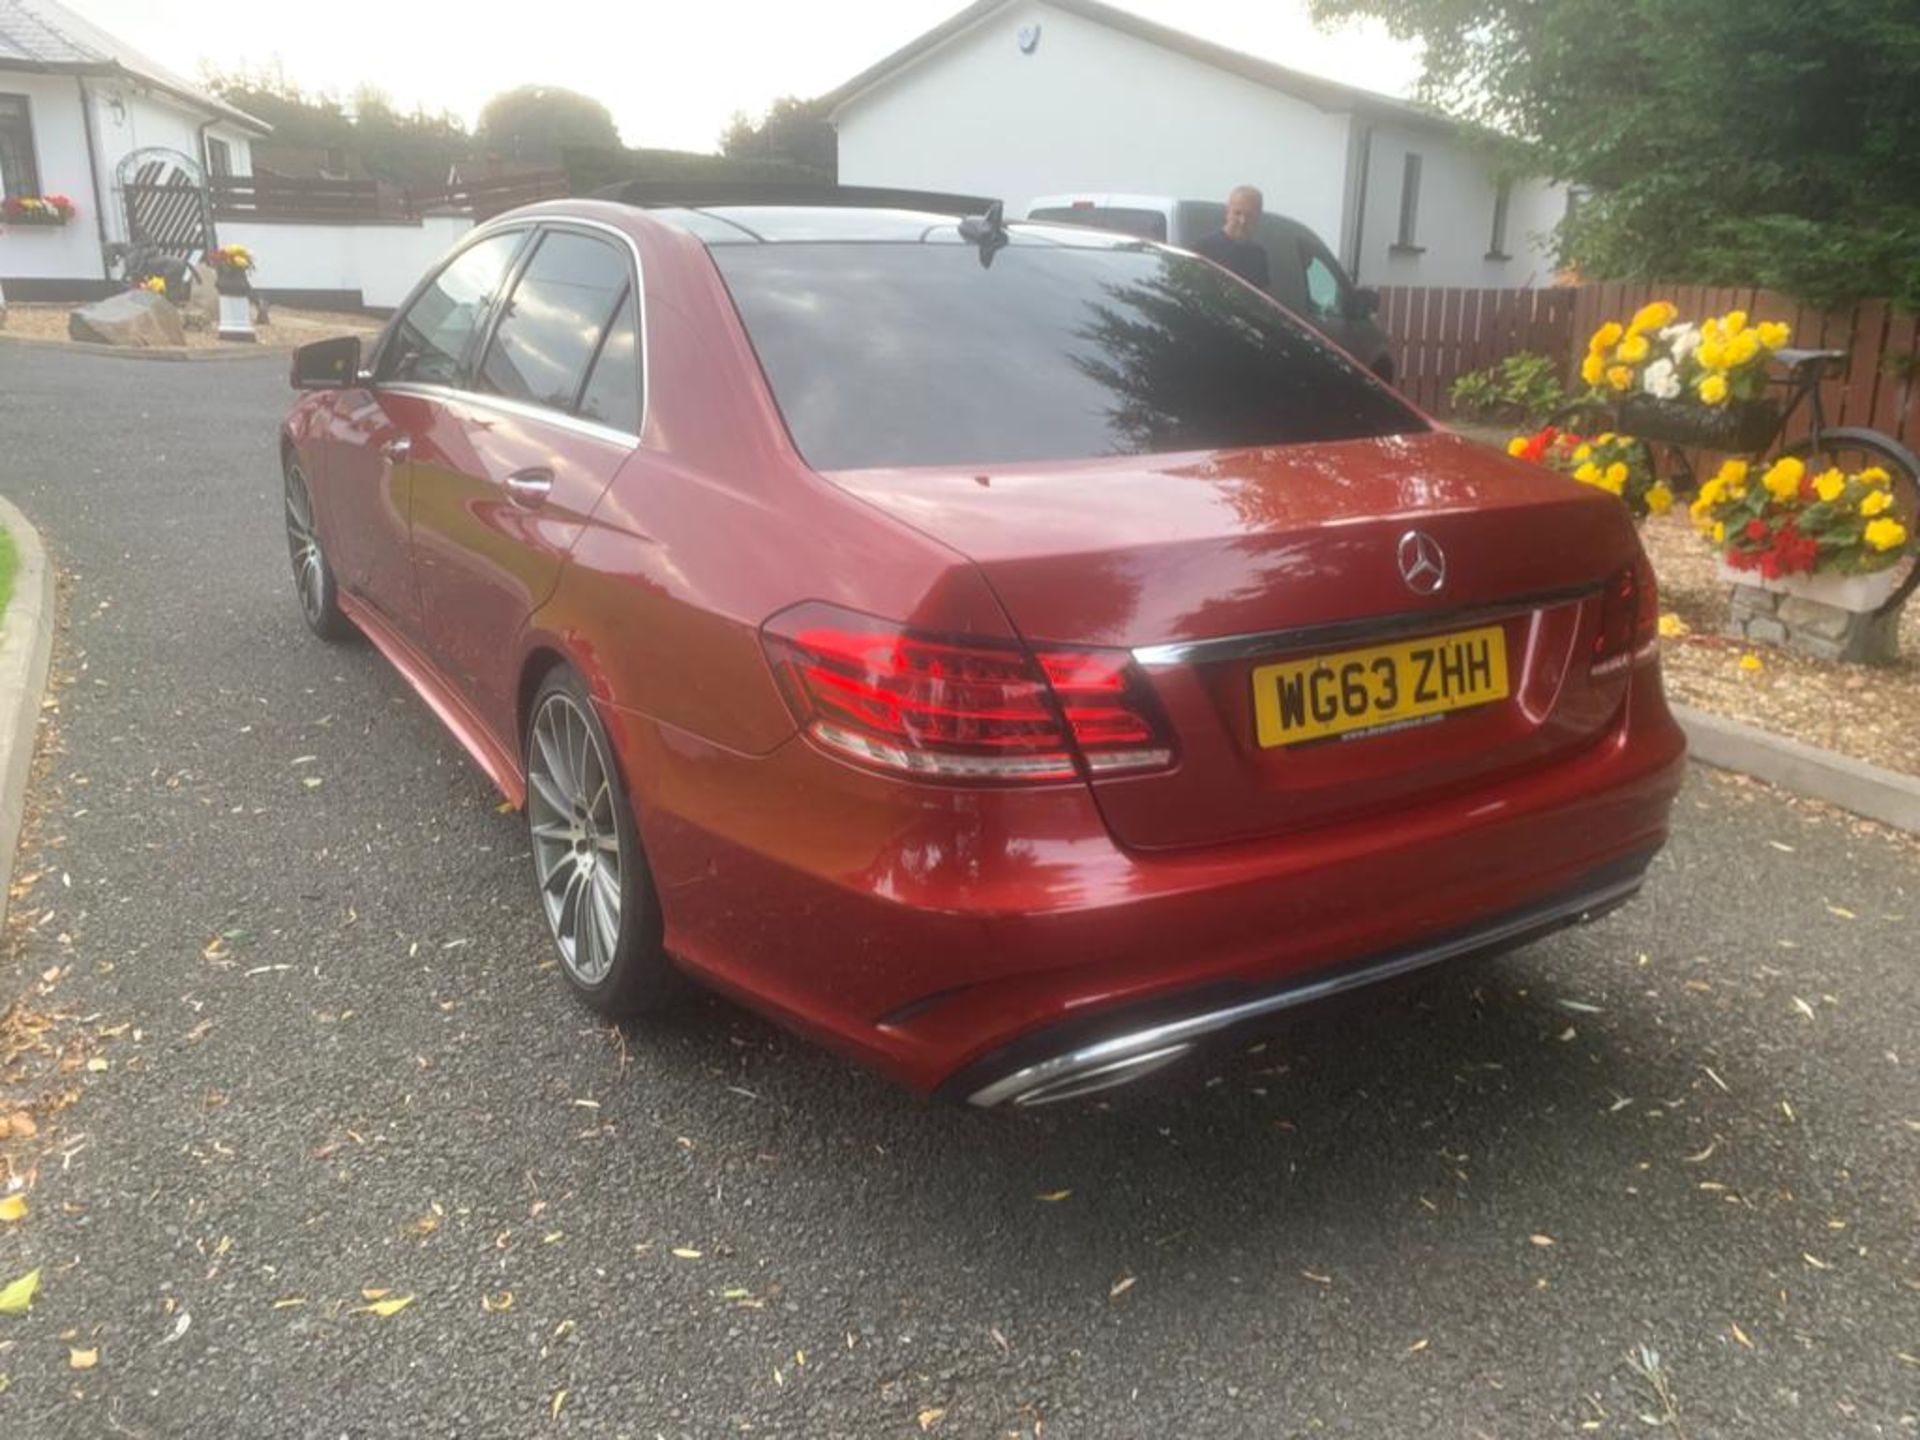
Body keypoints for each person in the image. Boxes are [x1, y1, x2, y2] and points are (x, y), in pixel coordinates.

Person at [1192, 185, 1270, 290]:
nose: (1242, 221)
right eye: (1237, 213)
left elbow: (1261, 297)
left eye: (1249, 215)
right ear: (1227, 212)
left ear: (1258, 217)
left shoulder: (1258, 254)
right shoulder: (1204, 247)